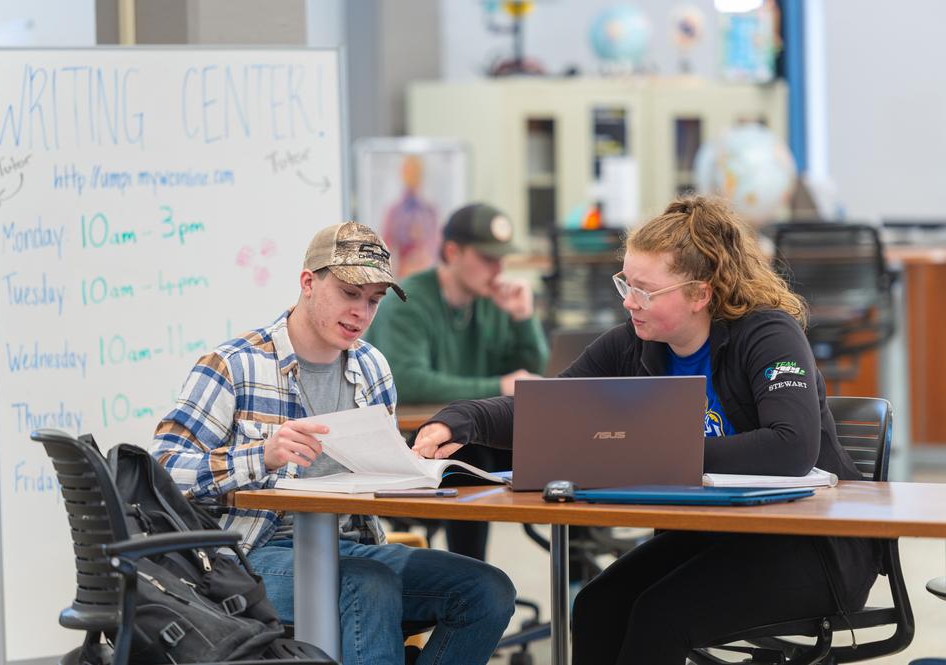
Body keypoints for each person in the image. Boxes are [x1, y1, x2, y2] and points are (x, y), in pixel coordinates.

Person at [410, 195, 881, 665]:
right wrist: (462, 419)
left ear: (701, 293)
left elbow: (792, 447)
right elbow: (552, 409)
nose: (629, 302)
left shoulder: (768, 334)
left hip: (813, 548)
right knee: (595, 606)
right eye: (626, 284)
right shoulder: (634, 344)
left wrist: (653, 455)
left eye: (646, 291)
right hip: (716, 534)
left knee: (660, 618)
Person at [152, 221, 515, 665]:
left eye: (373, 301)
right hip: (245, 559)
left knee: (487, 590)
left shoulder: (373, 367)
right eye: (349, 294)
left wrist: (412, 470)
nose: (361, 312)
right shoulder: (233, 365)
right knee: (367, 585)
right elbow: (163, 471)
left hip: (352, 547)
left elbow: (372, 481)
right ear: (308, 283)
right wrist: (260, 456)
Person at [368, 202, 548, 559]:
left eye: (501, 259)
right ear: (452, 252)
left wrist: (524, 319)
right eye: (487, 258)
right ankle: (469, 576)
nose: (498, 269)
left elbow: (529, 374)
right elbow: (407, 381)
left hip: (471, 435)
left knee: (567, 454)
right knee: (467, 453)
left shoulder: (491, 301)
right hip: (418, 439)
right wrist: (497, 388)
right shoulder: (410, 301)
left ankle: (576, 584)